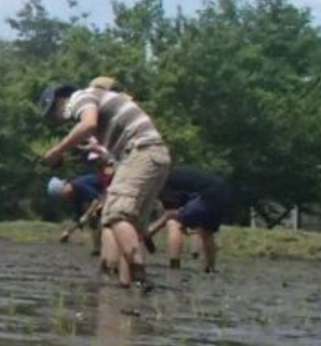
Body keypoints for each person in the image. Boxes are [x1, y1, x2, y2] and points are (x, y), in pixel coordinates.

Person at [40, 81, 170, 288]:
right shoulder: (98, 102)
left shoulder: (79, 98)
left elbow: (88, 123)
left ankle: (140, 278)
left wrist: (56, 151)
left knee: (115, 213)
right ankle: (127, 284)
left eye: (53, 113)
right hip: (154, 155)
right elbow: (101, 140)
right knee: (130, 224)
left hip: (141, 151)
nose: (58, 119)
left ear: (58, 101)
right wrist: (94, 148)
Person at [150, 165, 234, 272]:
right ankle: (210, 266)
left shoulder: (165, 179)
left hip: (209, 195)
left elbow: (172, 207)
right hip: (224, 192)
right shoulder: (180, 172)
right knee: (207, 231)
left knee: (172, 218)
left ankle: (172, 261)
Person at [47, 172, 109, 254]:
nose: (64, 197)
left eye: (62, 194)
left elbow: (96, 200)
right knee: (92, 217)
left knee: (95, 215)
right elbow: (78, 218)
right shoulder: (73, 196)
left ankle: (102, 247)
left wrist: (87, 215)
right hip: (99, 197)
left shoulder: (77, 185)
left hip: (107, 190)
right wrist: (68, 232)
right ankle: (97, 248)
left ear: (64, 187)